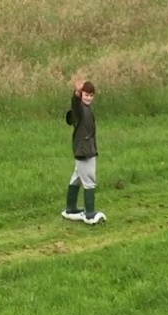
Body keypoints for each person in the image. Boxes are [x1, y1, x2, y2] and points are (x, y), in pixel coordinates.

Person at [61, 79, 106, 225]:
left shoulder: (88, 109)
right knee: (89, 180)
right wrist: (76, 93)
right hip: (83, 150)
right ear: (81, 95)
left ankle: (71, 208)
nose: (88, 98)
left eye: (91, 95)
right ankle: (90, 212)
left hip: (88, 147)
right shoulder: (79, 108)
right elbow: (74, 105)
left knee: (77, 177)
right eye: (86, 95)